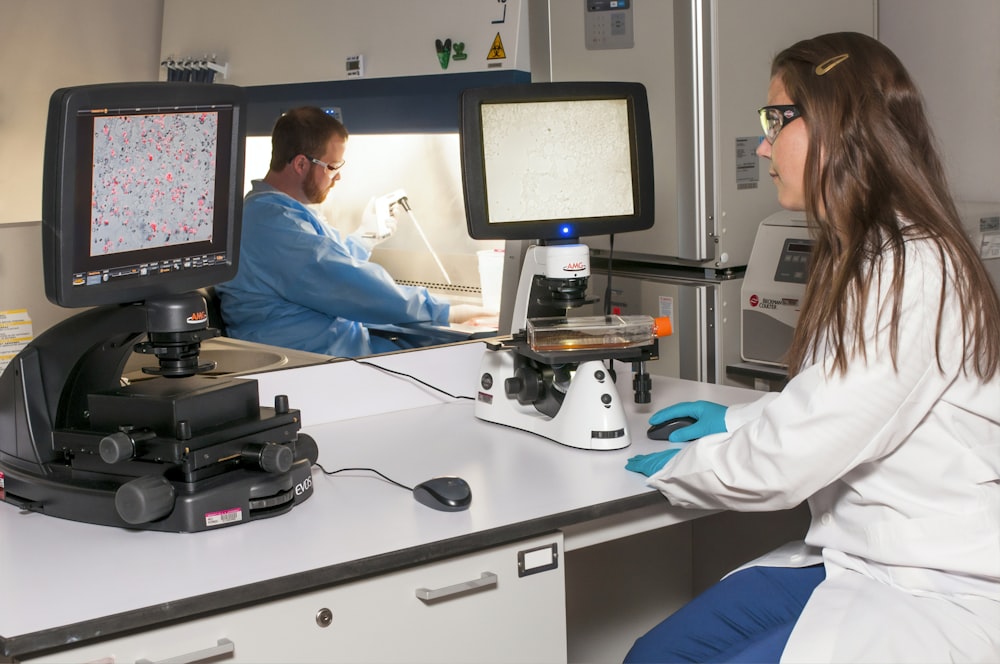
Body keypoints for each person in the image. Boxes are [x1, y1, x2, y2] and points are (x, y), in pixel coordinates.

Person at [625, 32, 1000, 663]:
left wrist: (681, 472)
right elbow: (836, 398)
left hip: (937, 581)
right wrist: (738, 418)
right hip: (858, 556)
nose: (764, 145)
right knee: (652, 657)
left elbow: (789, 461)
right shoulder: (866, 251)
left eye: (777, 119)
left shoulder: (916, 269)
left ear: (840, 126)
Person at [216, 106, 490, 358]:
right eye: (333, 167)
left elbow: (324, 268)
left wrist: (365, 237)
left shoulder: (278, 211)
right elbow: (344, 283)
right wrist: (445, 311)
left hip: (336, 351)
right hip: (311, 365)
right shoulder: (271, 222)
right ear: (300, 164)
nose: (338, 177)